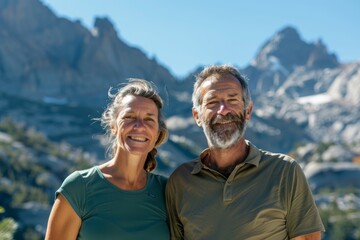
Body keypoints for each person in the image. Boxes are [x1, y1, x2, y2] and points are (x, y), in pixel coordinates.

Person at [165, 65, 325, 239]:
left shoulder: (284, 171)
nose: (223, 110)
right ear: (197, 116)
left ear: (248, 111)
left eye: (232, 100)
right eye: (212, 102)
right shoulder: (181, 181)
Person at [45, 79, 170, 240]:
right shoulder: (79, 187)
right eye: (129, 117)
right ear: (113, 126)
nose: (139, 126)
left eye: (149, 119)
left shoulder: (168, 192)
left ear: (158, 133)